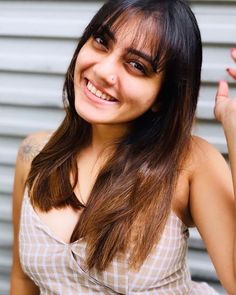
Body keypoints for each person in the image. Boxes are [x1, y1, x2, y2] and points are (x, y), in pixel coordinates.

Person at [10, 0, 235, 294]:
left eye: (136, 65)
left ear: (162, 98)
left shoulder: (190, 163)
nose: (104, 70)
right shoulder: (36, 154)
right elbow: (23, 280)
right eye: (101, 42)